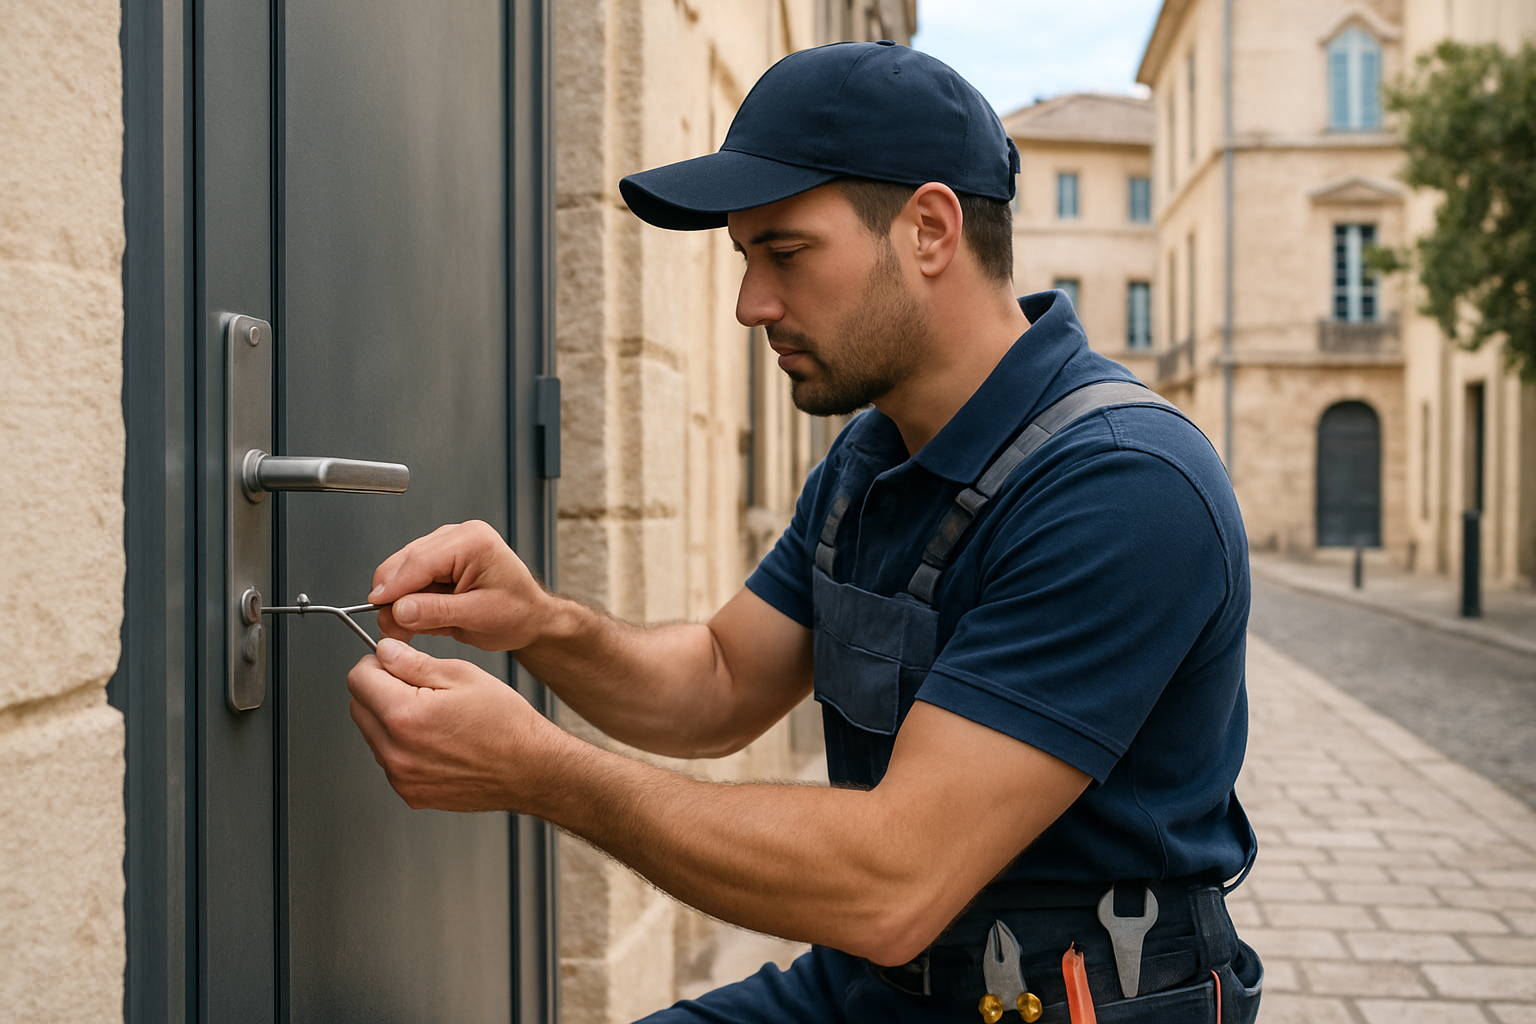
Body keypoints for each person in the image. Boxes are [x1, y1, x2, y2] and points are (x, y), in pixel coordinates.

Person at [346, 41, 1262, 1024]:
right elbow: (720, 681)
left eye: (784, 253)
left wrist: (540, 770)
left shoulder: (1122, 487)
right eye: (746, 259)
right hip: (875, 985)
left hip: (1070, 1001)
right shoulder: (873, 455)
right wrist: (539, 623)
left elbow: (894, 880)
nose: (752, 305)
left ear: (929, 229)